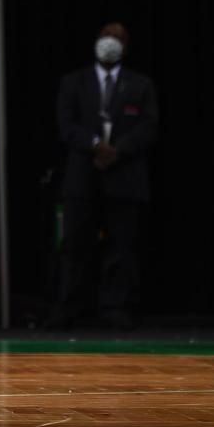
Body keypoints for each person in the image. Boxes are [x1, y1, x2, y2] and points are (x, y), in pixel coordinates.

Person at [51, 22, 158, 330]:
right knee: (73, 244)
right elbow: (66, 124)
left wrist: (117, 151)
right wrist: (95, 146)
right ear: (97, 40)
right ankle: (69, 306)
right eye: (108, 36)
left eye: (120, 38)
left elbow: (148, 127)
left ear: (127, 47)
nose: (112, 42)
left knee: (122, 246)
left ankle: (115, 307)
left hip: (124, 176)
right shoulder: (73, 83)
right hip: (82, 176)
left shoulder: (141, 85)